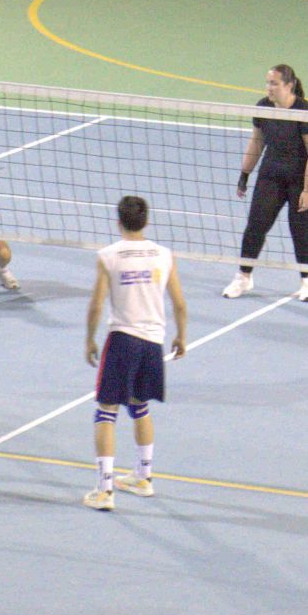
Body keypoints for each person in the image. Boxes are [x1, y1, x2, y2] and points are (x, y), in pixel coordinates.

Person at [82, 196, 187, 511]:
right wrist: (181, 336)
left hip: (123, 340)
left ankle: (104, 490)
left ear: (118, 222)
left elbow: (97, 304)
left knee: (106, 411)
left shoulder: (109, 256)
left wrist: (89, 340)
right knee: (140, 406)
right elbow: (180, 303)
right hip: (153, 343)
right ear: (147, 221)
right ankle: (143, 477)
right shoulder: (164, 255)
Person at [222, 64, 308, 302]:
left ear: (289, 85)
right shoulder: (263, 107)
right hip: (272, 174)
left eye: (274, 83)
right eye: (268, 82)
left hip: (303, 177)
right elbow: (257, 142)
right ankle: (243, 277)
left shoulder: (304, 112)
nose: (269, 87)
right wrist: (244, 174)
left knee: (299, 228)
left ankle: (307, 283)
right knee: (255, 225)